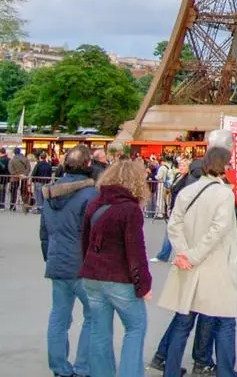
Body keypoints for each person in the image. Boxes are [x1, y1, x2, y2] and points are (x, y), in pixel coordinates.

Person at [159, 147, 237, 377]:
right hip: (214, 265)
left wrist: (183, 253)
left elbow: (173, 225)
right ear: (223, 165)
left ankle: (171, 370)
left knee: (183, 321)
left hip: (189, 265)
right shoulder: (224, 194)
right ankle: (225, 371)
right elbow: (218, 230)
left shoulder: (188, 191)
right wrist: (193, 255)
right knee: (224, 319)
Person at [80, 159, 152, 377]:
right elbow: (135, 252)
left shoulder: (95, 204)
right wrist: (144, 285)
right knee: (136, 327)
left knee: (99, 332)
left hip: (92, 275)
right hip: (118, 278)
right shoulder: (130, 210)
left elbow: (85, 241)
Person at [40, 144, 99, 377]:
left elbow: (44, 232)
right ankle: (83, 367)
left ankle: (59, 368)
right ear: (88, 165)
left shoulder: (51, 191)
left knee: (59, 316)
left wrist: (50, 257)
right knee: (93, 316)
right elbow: (94, 233)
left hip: (58, 260)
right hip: (82, 263)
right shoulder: (90, 194)